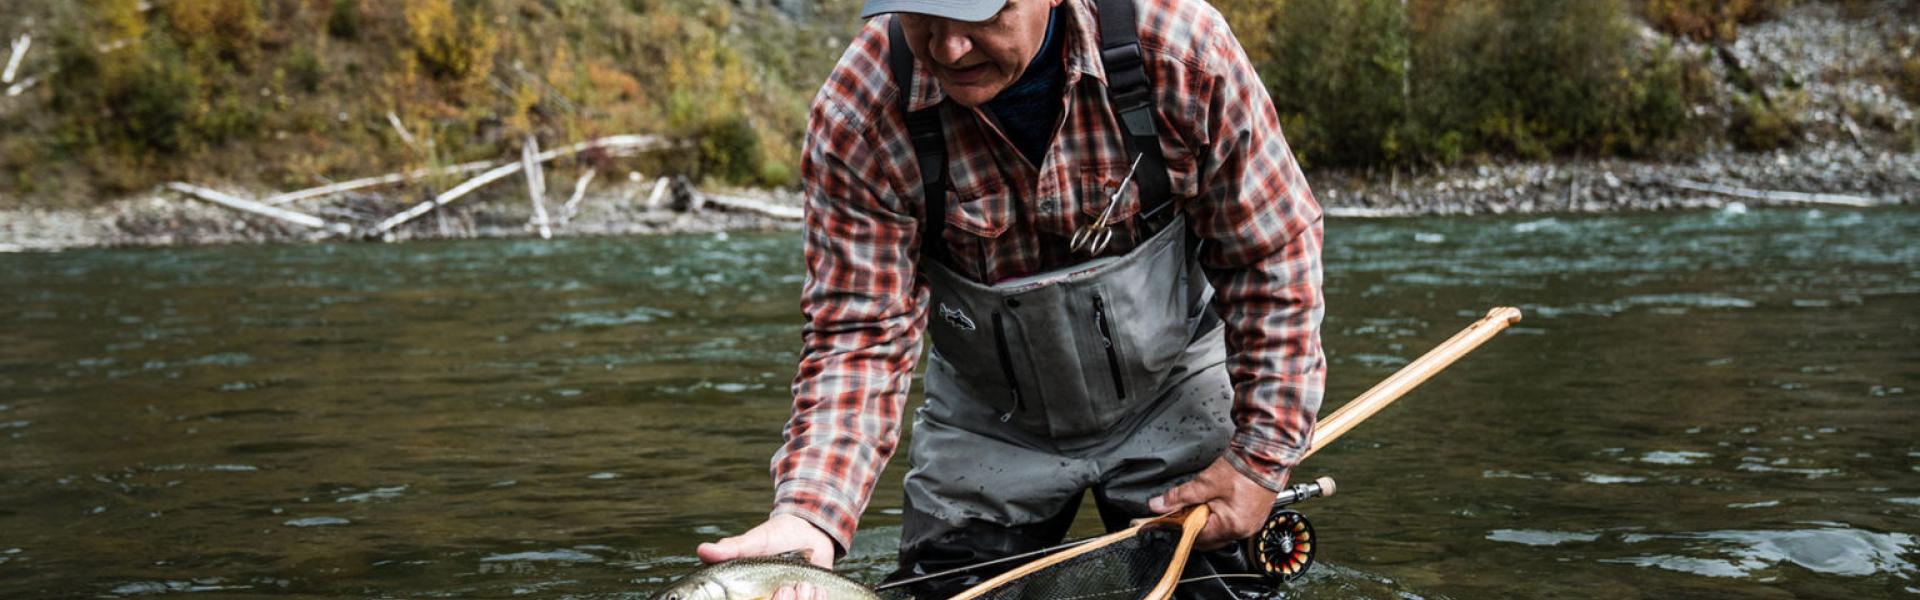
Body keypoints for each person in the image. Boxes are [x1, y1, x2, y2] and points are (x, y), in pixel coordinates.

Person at [697, 0, 1324, 595]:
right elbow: (860, 334)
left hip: (1176, 392)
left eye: (980, 14)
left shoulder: (1179, 51)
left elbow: (1271, 260)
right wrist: (810, 513)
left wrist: (1259, 460)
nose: (949, 46)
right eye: (923, 15)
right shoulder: (860, 110)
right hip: (988, 424)